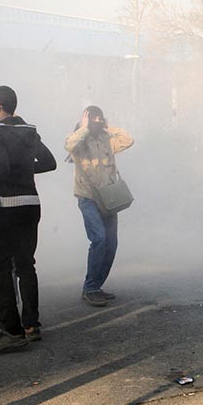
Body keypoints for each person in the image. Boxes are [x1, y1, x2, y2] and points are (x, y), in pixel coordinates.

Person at [0, 85, 56, 354]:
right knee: (26, 265)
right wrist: (26, 169)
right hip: (32, 205)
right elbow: (50, 163)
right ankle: (32, 325)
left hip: (10, 207)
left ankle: (11, 331)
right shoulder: (29, 130)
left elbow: (1, 170)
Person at [65, 106, 134, 307]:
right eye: (92, 118)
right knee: (100, 239)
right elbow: (69, 144)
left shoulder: (106, 139)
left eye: (99, 118)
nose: (96, 122)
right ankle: (90, 288)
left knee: (111, 243)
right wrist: (84, 127)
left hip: (109, 199)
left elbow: (128, 140)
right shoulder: (79, 139)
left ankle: (96, 285)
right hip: (88, 198)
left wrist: (107, 126)